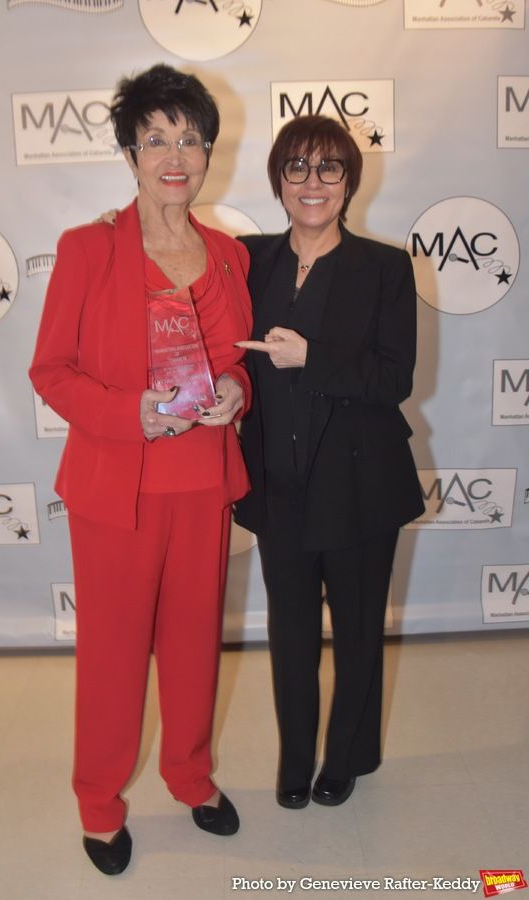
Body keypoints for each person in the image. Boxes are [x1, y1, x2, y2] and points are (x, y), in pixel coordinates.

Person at [29, 64, 252, 875]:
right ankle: (99, 803)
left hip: (202, 481)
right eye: (155, 138)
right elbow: (51, 371)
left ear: (209, 154)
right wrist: (131, 412)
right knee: (114, 656)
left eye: (189, 139)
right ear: (130, 153)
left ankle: (190, 776)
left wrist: (237, 388)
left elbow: (235, 360)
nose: (174, 156)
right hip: (115, 488)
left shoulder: (229, 255)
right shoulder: (88, 249)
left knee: (194, 645)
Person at [234, 115, 425, 811]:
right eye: (297, 168)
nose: (312, 183)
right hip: (277, 487)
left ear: (349, 182)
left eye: (329, 168)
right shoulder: (247, 259)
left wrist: (312, 358)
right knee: (289, 636)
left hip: (361, 486)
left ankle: (346, 757)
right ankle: (294, 761)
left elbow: (394, 379)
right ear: (278, 181)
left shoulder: (385, 268)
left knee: (358, 631)